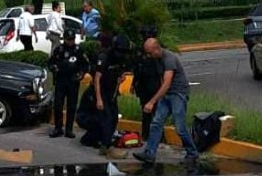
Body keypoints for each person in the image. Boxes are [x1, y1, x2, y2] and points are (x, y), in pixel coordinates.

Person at [133, 38, 198, 167]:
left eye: (150, 53)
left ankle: (192, 153)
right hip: (167, 95)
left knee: (179, 127)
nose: (149, 56)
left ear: (157, 49)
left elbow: (167, 83)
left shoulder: (169, 59)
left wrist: (152, 101)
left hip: (178, 94)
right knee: (156, 123)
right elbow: (162, 81)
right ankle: (150, 153)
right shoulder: (157, 59)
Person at [80, 34, 132, 155]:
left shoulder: (121, 58)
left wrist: (121, 78)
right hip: (100, 91)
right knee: (106, 118)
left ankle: (99, 140)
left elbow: (120, 72)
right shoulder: (104, 57)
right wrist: (99, 99)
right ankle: (106, 146)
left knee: (114, 117)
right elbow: (97, 78)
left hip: (112, 92)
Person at [48, 27, 89, 138]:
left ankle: (69, 129)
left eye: (72, 39)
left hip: (73, 82)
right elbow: (50, 63)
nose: (70, 41)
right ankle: (58, 128)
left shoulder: (78, 50)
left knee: (71, 106)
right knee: (58, 105)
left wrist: (81, 74)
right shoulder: (59, 50)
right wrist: (54, 68)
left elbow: (85, 65)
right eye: (68, 39)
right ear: (64, 39)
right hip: (61, 81)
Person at [132, 37, 164, 140]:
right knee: (146, 113)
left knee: (157, 114)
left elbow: (161, 73)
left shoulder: (157, 56)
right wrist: (133, 84)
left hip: (155, 87)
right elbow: (137, 71)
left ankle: (159, 136)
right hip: (144, 88)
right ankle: (146, 135)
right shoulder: (141, 56)